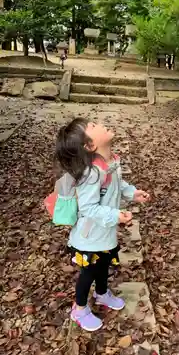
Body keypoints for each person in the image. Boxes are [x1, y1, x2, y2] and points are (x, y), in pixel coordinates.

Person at [55, 118, 150, 332]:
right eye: (92, 126)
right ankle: (79, 309)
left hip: (105, 233)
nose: (98, 123)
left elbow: (118, 185)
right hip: (89, 238)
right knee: (88, 272)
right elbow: (88, 208)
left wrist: (132, 193)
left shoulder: (111, 161)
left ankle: (102, 293)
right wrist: (116, 215)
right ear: (90, 146)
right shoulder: (91, 173)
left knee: (104, 264)